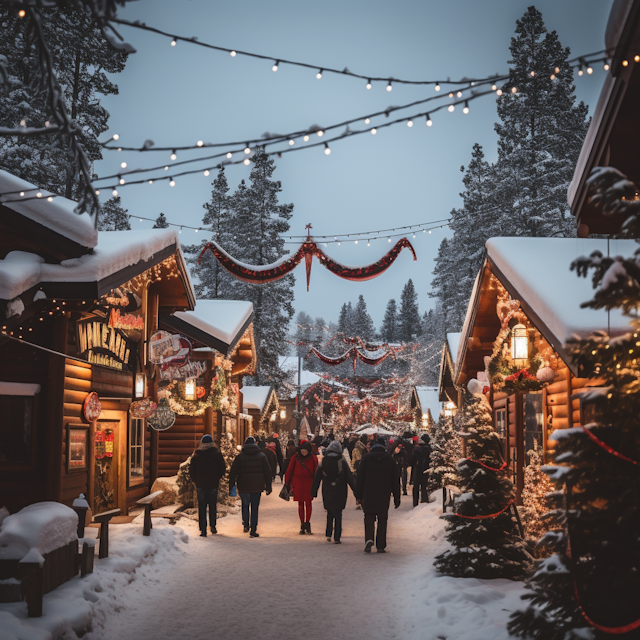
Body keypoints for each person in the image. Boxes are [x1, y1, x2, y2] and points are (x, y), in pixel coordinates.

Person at [355, 437, 401, 553]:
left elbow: (360, 478)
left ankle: (369, 539)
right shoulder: (390, 460)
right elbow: (395, 480)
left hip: (368, 492)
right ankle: (381, 545)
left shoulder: (366, 458)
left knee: (369, 517)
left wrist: (359, 495)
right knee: (382, 518)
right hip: (384, 494)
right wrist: (397, 498)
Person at [311, 440, 355, 543]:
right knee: (338, 513)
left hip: (327, 490)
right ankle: (337, 536)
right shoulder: (342, 460)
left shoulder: (324, 461)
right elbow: (349, 477)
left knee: (330, 512)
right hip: (340, 490)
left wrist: (314, 491)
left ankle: (328, 533)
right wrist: (356, 491)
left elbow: (317, 477)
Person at [228, 436, 272, 537]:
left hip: (243, 486)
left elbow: (233, 472)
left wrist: (231, 485)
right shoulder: (262, 456)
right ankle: (253, 529)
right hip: (257, 486)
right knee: (255, 507)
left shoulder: (240, 457)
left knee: (245, 505)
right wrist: (268, 486)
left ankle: (245, 524)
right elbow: (267, 473)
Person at [189, 434, 226, 537]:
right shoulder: (217, 454)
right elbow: (222, 468)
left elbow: (192, 470)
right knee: (212, 506)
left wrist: (196, 480)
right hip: (213, 484)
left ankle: (203, 529)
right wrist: (217, 478)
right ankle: (213, 526)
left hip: (201, 484)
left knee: (202, 507)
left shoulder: (197, 455)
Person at [284, 441, 319, 534]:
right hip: (298, 483)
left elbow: (316, 472)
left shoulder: (313, 458)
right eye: (302, 451)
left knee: (308, 503)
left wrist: (316, 484)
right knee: (300, 504)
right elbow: (289, 470)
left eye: (305, 451)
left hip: (309, 483)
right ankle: (302, 524)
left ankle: (307, 523)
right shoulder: (295, 457)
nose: (303, 453)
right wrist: (287, 483)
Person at [411, 434, 433, 507]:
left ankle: (415, 503)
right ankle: (424, 502)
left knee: (416, 487)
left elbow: (412, 461)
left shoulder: (417, 449)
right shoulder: (430, 450)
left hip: (417, 470)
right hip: (426, 469)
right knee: (424, 486)